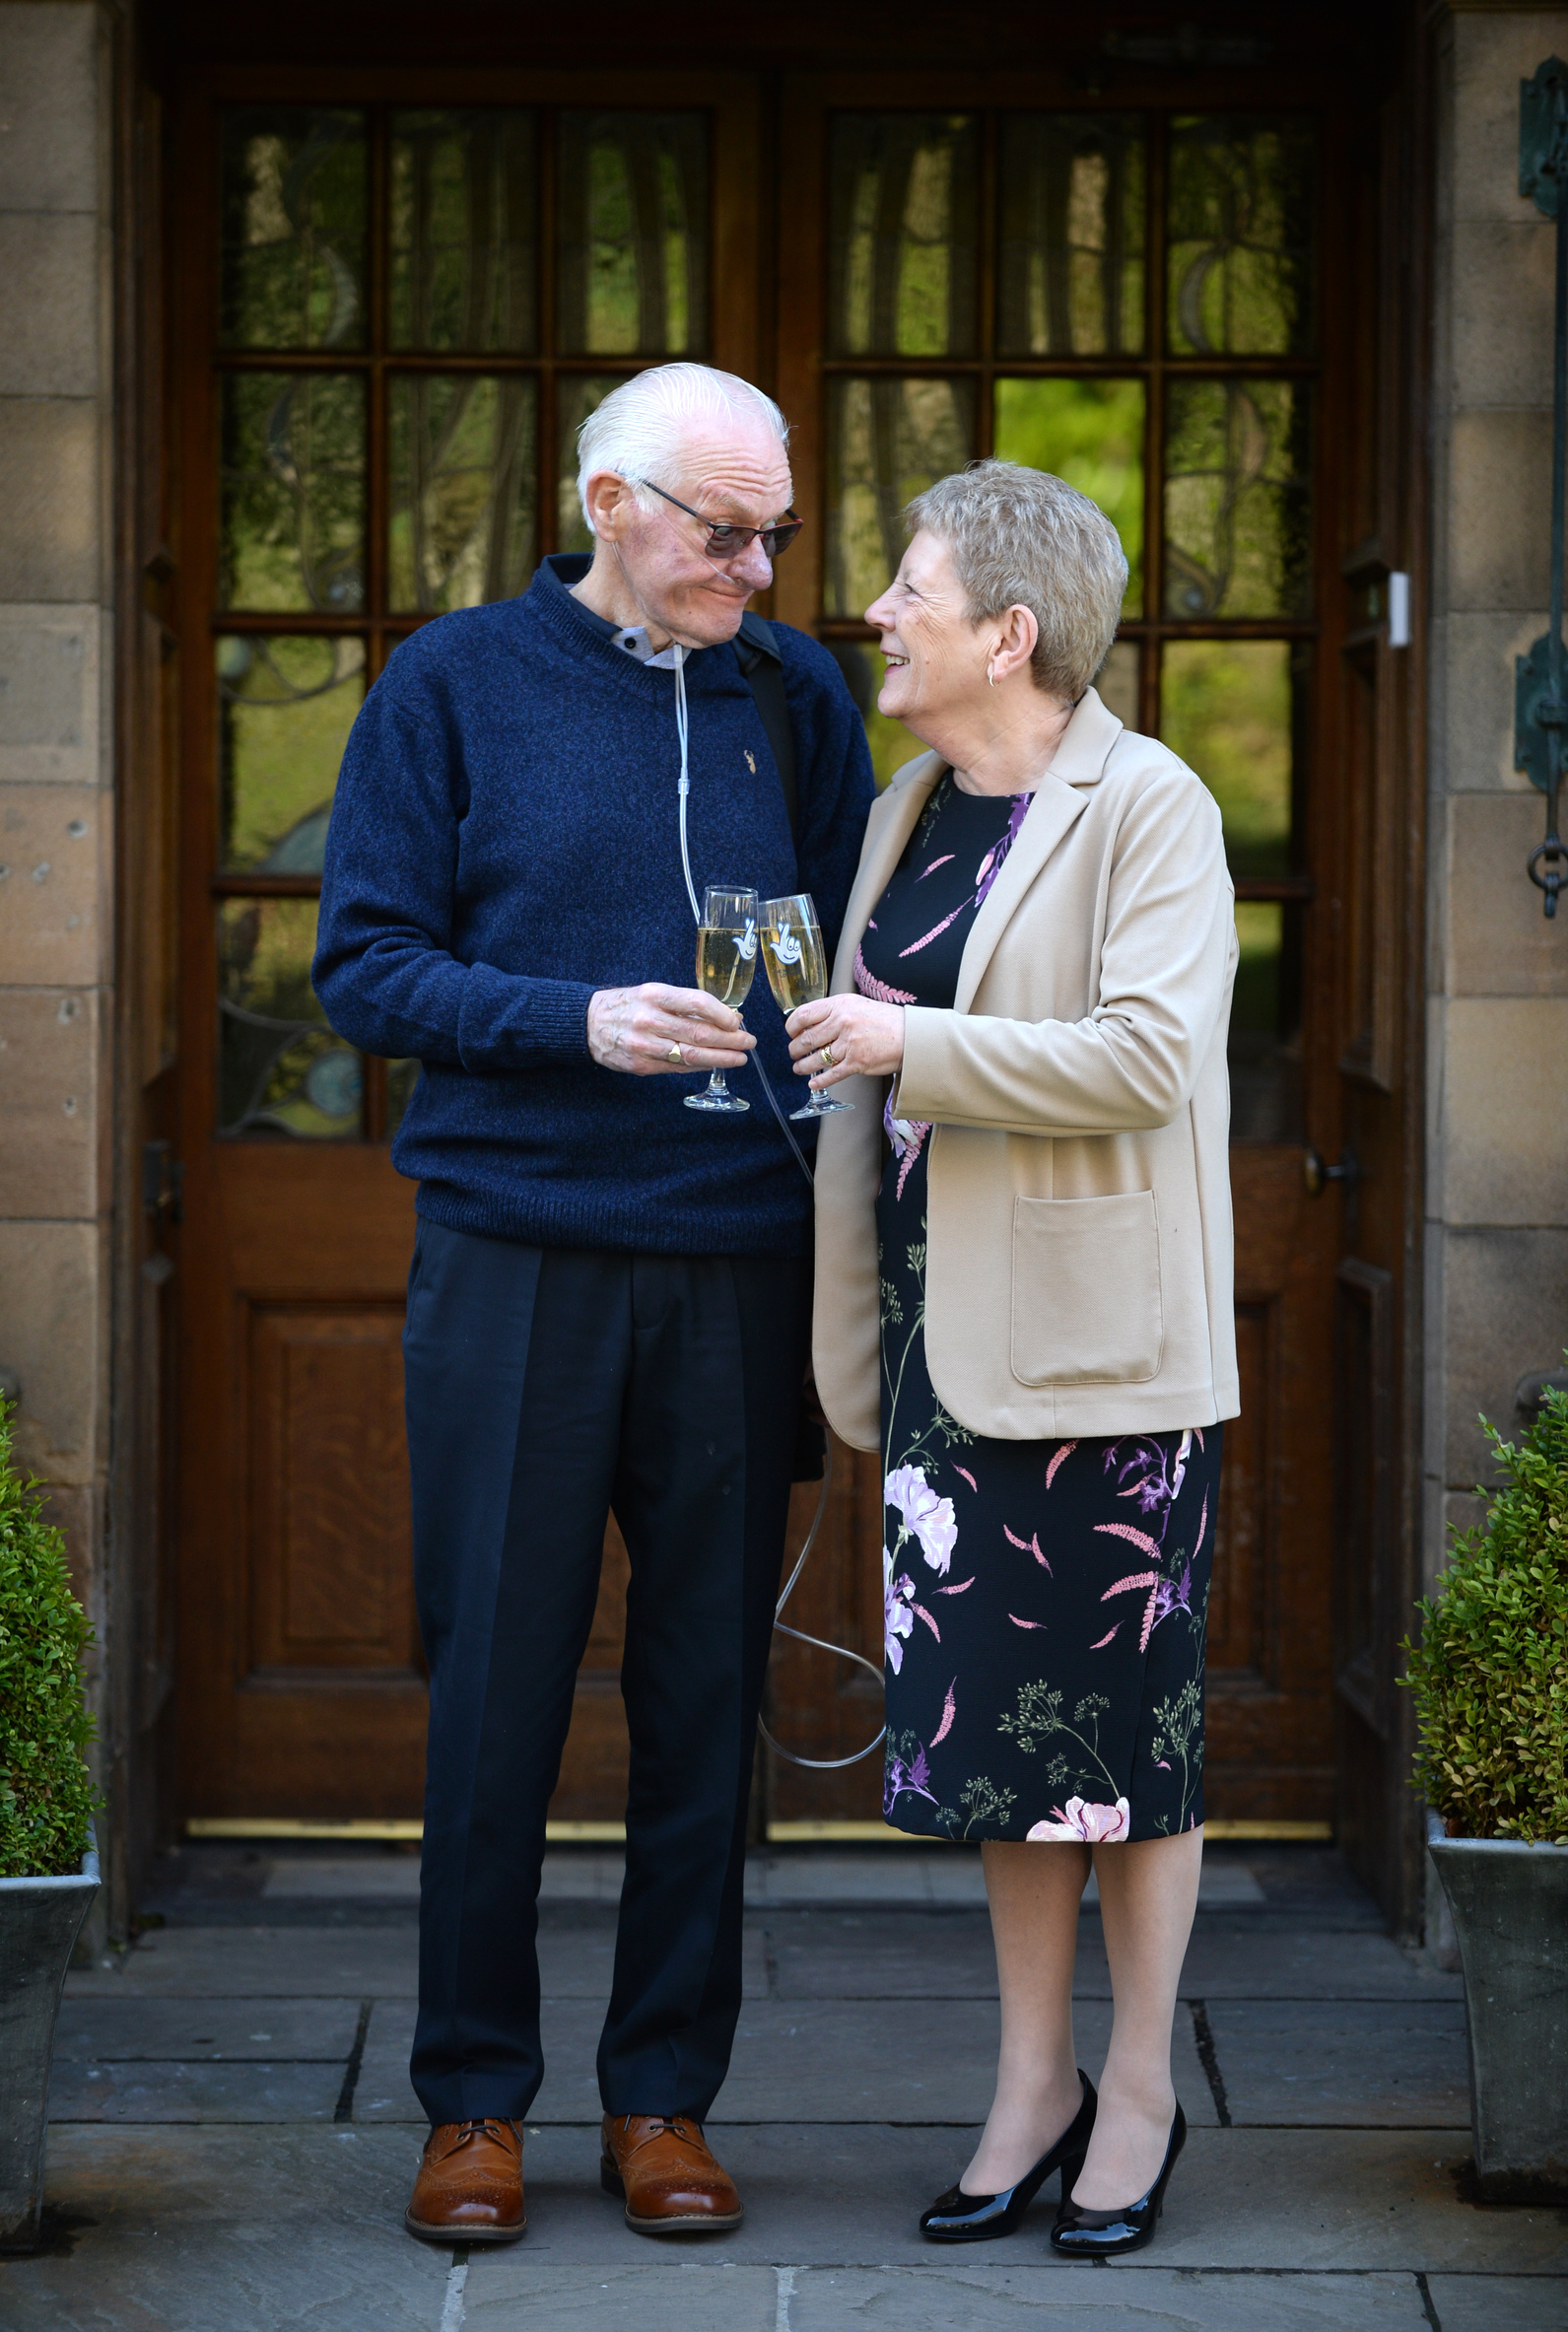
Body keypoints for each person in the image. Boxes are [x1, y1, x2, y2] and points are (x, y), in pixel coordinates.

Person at [313, 364, 874, 2246]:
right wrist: (574, 1022)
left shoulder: (792, 694)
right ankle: (473, 2104)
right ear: (611, 501)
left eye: (779, 531)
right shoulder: (450, 681)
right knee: (496, 1697)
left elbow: (852, 948)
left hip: (737, 1255)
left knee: (708, 1696)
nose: (759, 565)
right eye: (725, 531)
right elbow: (365, 967)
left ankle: (664, 2096)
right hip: (518, 1251)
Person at [789, 459, 1238, 2259]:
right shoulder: (908, 801)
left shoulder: (1154, 803)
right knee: (1001, 1749)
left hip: (1106, 1365)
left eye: (910, 586)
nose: (879, 613)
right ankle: (1030, 2082)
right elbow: (880, 1055)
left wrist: (913, 1039)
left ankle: (1139, 2090)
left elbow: (1147, 1057)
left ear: (1008, 629)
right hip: (935, 1353)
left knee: (1126, 1750)